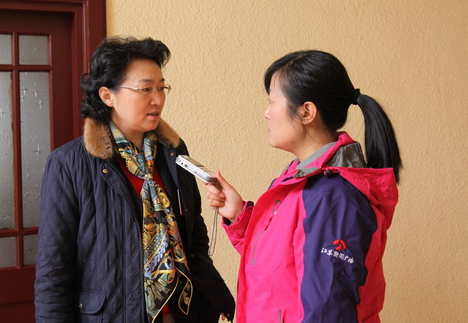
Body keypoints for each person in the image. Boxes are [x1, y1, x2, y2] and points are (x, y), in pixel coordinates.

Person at [35, 37, 235, 323]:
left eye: (161, 88)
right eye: (145, 89)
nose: (158, 99)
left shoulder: (172, 151)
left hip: (182, 314)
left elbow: (194, 235)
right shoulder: (69, 163)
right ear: (107, 96)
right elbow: (54, 268)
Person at [206, 50, 401, 323]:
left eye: (272, 102)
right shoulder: (301, 181)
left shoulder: (333, 197)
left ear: (307, 111)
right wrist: (239, 215)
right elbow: (282, 266)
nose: (266, 113)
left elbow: (328, 311)